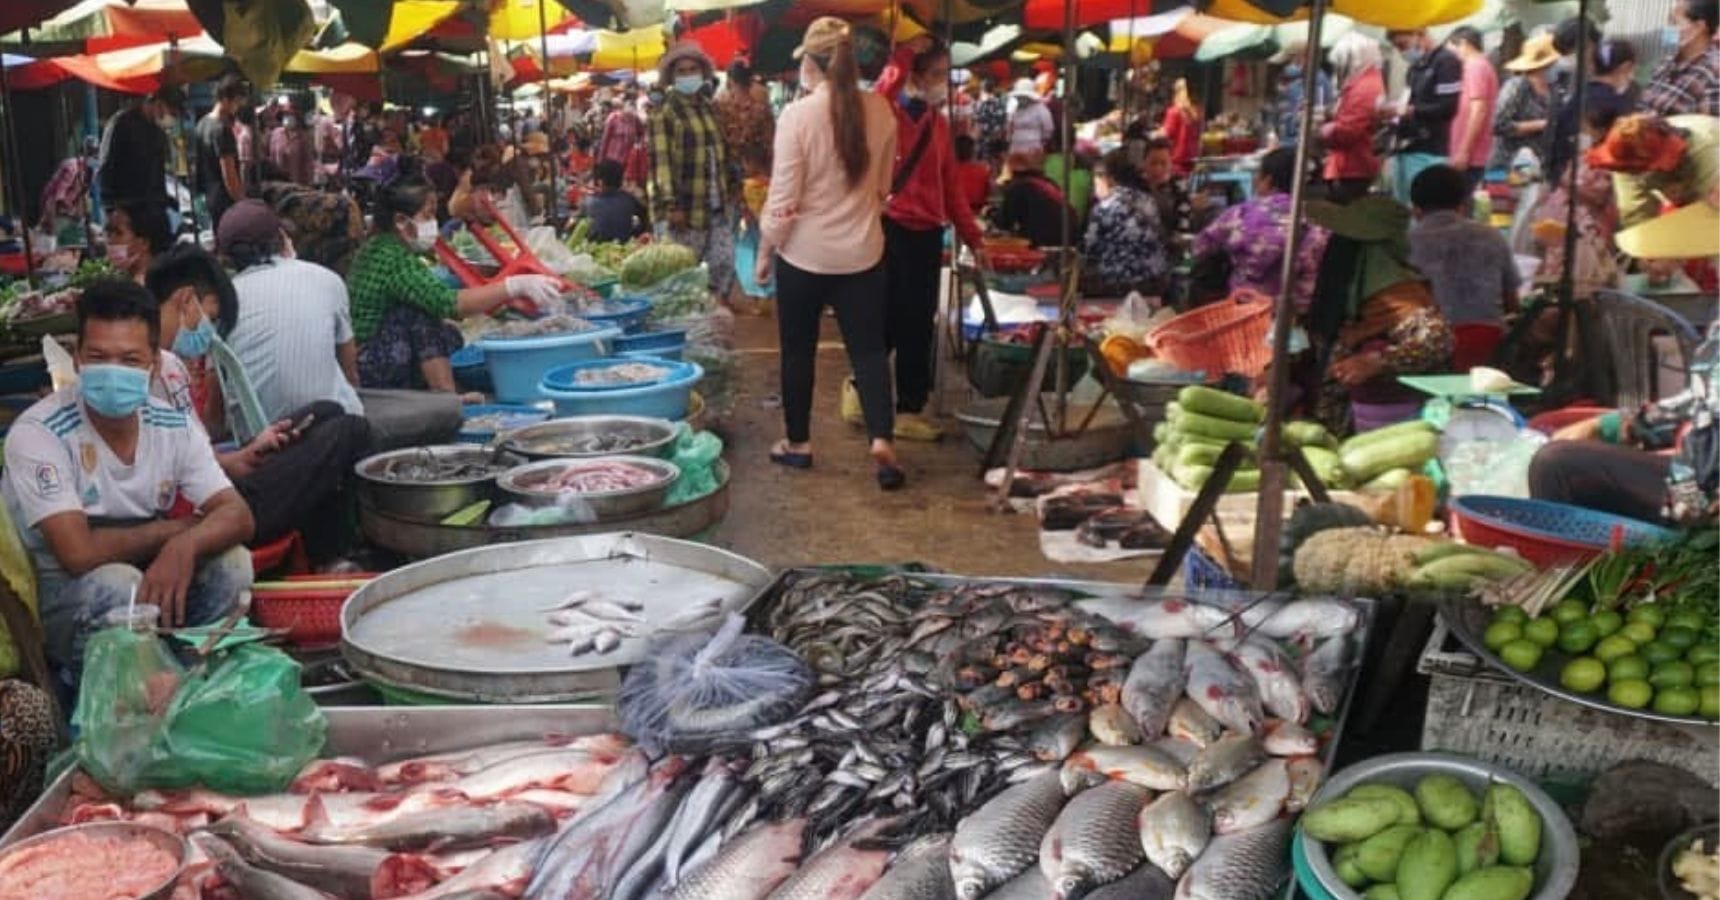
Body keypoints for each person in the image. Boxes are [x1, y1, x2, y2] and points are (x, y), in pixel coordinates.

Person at [1, 279, 255, 694]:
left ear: (154, 364)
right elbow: (77, 553)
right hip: (65, 600)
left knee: (234, 562)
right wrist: (175, 531)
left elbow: (237, 514)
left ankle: (197, 686)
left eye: (130, 359)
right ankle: (121, 701)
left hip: (154, 580)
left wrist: (184, 547)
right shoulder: (39, 432)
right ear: (78, 360)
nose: (113, 371)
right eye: (99, 357)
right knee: (121, 585)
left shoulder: (172, 424)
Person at [145, 245, 370, 567]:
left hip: (216, 486)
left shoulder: (170, 365)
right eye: (209, 318)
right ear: (185, 300)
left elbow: (184, 456)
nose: (208, 332)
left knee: (326, 412)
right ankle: (330, 553)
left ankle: (329, 552)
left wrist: (241, 457)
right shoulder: (149, 369)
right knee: (349, 430)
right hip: (218, 511)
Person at [756, 17, 904, 490]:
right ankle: (882, 439)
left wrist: (765, 251)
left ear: (812, 65)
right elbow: (883, 190)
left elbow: (782, 201)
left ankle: (798, 445)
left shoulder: (797, 116)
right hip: (863, 253)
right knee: (868, 352)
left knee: (798, 352)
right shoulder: (881, 110)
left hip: (804, 255)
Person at [874, 37, 989, 443]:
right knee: (886, 318)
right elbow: (882, 90)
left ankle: (909, 406)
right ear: (916, 76)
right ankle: (864, 388)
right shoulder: (887, 112)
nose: (945, 83)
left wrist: (973, 236)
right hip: (891, 229)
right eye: (937, 74)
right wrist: (903, 53)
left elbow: (952, 187)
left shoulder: (939, 125)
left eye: (946, 74)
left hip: (928, 234)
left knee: (919, 323)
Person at [345, 177, 561, 392]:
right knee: (421, 316)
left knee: (449, 334)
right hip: (368, 364)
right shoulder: (392, 258)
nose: (433, 223)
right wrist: (513, 286)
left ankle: (436, 392)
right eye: (427, 215)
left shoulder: (380, 246)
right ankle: (446, 397)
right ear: (401, 221)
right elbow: (450, 304)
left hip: (370, 352)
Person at [1530, 322, 1717, 525]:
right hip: (1692, 474)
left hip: (1703, 499)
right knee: (1558, 464)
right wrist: (1616, 426)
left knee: (1555, 464)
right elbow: (1699, 401)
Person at [1303, 196, 1454, 434]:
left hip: (1392, 424)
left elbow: (1436, 339)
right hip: (1339, 422)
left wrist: (1377, 361)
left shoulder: (1397, 291)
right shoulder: (1347, 292)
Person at [213, 201, 362, 421]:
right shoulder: (326, 278)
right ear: (282, 237)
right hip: (334, 425)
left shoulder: (223, 299)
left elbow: (216, 392)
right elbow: (350, 371)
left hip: (260, 439)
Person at [651, 44, 737, 302]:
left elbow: (721, 149)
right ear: (671, 77)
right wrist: (671, 204)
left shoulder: (709, 108)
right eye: (682, 71)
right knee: (681, 276)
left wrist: (733, 185)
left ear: (703, 73)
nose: (688, 75)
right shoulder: (665, 113)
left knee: (723, 264)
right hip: (684, 208)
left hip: (716, 203)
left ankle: (713, 312)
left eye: (693, 69)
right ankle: (688, 326)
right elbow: (662, 162)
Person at [1192, 148, 1331, 307]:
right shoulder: (1318, 219)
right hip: (1299, 310)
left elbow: (1200, 247)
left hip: (1246, 310)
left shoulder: (1241, 213)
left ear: (1268, 179)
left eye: (1258, 174)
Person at [1407, 164, 1520, 325]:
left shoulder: (1406, 243)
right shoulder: (1491, 236)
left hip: (1429, 343)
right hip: (1489, 340)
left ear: (1415, 210)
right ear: (1464, 204)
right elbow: (1512, 304)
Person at [1384, 29, 1464, 206]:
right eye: (1397, 47)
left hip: (1429, 150)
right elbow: (1408, 98)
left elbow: (1448, 107)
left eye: (1403, 45)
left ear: (1419, 34)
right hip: (1404, 147)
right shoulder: (1416, 67)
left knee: (1423, 208)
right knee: (1400, 211)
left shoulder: (1446, 61)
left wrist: (1412, 111)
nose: (1401, 52)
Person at [1547, 39, 1639, 183]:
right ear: (1625, 67)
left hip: (1563, 184)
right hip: (1594, 188)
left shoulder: (1575, 97)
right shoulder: (1620, 106)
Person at [1083, 149, 1171, 296]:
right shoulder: (1147, 200)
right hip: (1152, 280)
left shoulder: (1103, 207)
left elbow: (1090, 248)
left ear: (1108, 178)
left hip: (1116, 284)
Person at [96, 85, 183, 212]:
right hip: (127, 211)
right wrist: (112, 210)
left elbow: (157, 176)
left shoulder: (157, 132)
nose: (172, 119)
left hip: (154, 211)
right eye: (172, 113)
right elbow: (106, 170)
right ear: (158, 104)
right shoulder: (121, 124)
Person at [1323, 33, 1387, 203]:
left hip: (1352, 166)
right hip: (1351, 164)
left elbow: (1348, 131)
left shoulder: (1364, 87)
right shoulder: (1365, 82)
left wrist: (1326, 130)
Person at [1491, 35, 1560, 172]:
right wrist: (1542, 124)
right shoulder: (1517, 86)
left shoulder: (1554, 89)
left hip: (1541, 164)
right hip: (1512, 164)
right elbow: (1498, 125)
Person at [1642, 0, 1720, 117]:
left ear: (1698, 27)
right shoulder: (1665, 64)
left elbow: (1711, 130)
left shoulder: (1714, 73)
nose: (1668, 29)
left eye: (1674, 22)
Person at [1446, 27, 1500, 191]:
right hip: (1467, 152)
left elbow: (1479, 110)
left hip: (1471, 154)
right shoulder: (1477, 66)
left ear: (1463, 44)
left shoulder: (1476, 66)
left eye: (1451, 50)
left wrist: (1464, 151)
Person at [195, 76, 249, 233]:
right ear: (226, 99)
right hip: (224, 200)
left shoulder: (202, 123)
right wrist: (241, 202)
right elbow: (229, 174)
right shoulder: (222, 129)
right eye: (237, 102)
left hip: (209, 195)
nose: (237, 107)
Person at [713, 58, 775, 187]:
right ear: (751, 81)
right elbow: (770, 147)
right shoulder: (762, 110)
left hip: (727, 179)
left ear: (729, 82)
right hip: (757, 178)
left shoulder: (718, 108)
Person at [993, 150, 1071, 248]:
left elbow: (1003, 222)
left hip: (1043, 241)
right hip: (1068, 238)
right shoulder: (1048, 182)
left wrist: (990, 214)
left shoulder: (1018, 186)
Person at [1272, 49, 1335, 154]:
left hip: (1304, 147)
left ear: (1303, 57)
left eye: (1291, 61)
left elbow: (1317, 117)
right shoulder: (1298, 83)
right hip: (1290, 143)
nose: (1287, 67)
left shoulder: (1318, 81)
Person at [1141, 137, 1203, 244]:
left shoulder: (1178, 185)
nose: (1158, 169)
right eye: (1153, 163)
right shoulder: (1135, 187)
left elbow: (1184, 223)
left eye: (1163, 163)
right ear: (1143, 163)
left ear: (1171, 164)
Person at [103, 199, 173, 284]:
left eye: (118, 233)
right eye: (109, 233)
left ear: (144, 243)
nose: (110, 240)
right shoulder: (119, 281)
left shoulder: (157, 285)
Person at [582, 159, 650, 243]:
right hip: (624, 247)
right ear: (621, 180)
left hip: (595, 248)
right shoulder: (629, 200)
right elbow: (645, 217)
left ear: (600, 181)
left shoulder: (588, 202)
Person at [1159, 78, 1203, 177]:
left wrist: (1158, 132)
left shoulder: (1174, 112)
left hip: (1175, 164)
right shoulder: (1197, 112)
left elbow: (1165, 136)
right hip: (1192, 162)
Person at [268, 106, 314, 187]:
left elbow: (308, 162)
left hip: (297, 182)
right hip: (277, 182)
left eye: (290, 115)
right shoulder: (276, 133)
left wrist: (308, 184)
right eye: (285, 115)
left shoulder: (303, 138)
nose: (287, 118)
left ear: (296, 118)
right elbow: (271, 156)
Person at [1007, 79, 1055, 155]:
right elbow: (1010, 124)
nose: (1020, 99)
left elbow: (1048, 127)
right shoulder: (1015, 109)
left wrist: (1042, 140)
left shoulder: (1040, 109)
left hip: (1033, 146)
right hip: (1016, 145)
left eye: (1022, 97)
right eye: (1019, 97)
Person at [954, 135, 992, 215]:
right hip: (976, 215)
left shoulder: (946, 171)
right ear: (972, 151)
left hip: (951, 215)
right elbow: (988, 194)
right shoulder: (982, 170)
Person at [974, 77, 1008, 161]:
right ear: (993, 89)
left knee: (985, 162)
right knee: (996, 162)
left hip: (984, 139)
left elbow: (977, 123)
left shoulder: (979, 104)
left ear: (982, 89)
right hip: (997, 139)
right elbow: (1004, 121)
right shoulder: (1000, 103)